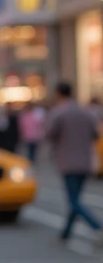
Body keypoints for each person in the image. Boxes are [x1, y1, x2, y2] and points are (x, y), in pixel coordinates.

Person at [46, 80, 102, 244]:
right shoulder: (86, 113)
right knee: (75, 199)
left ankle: (97, 226)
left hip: (68, 162)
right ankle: (66, 233)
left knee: (74, 201)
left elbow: (49, 134)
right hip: (85, 161)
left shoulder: (59, 113)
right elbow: (96, 135)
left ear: (58, 93)